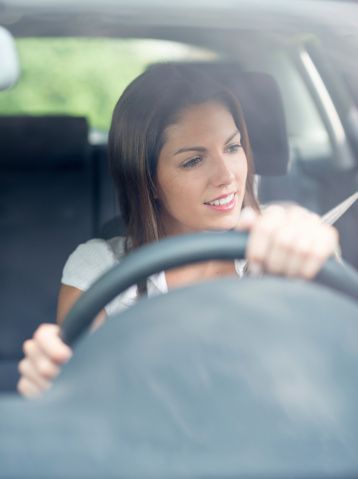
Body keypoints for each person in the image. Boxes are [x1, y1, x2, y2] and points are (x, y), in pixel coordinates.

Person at [17, 63, 339, 398]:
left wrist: (318, 251)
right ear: (148, 180)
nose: (226, 176)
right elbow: (79, 396)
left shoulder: (278, 236)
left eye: (232, 147)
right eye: (192, 161)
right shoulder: (100, 270)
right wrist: (51, 383)